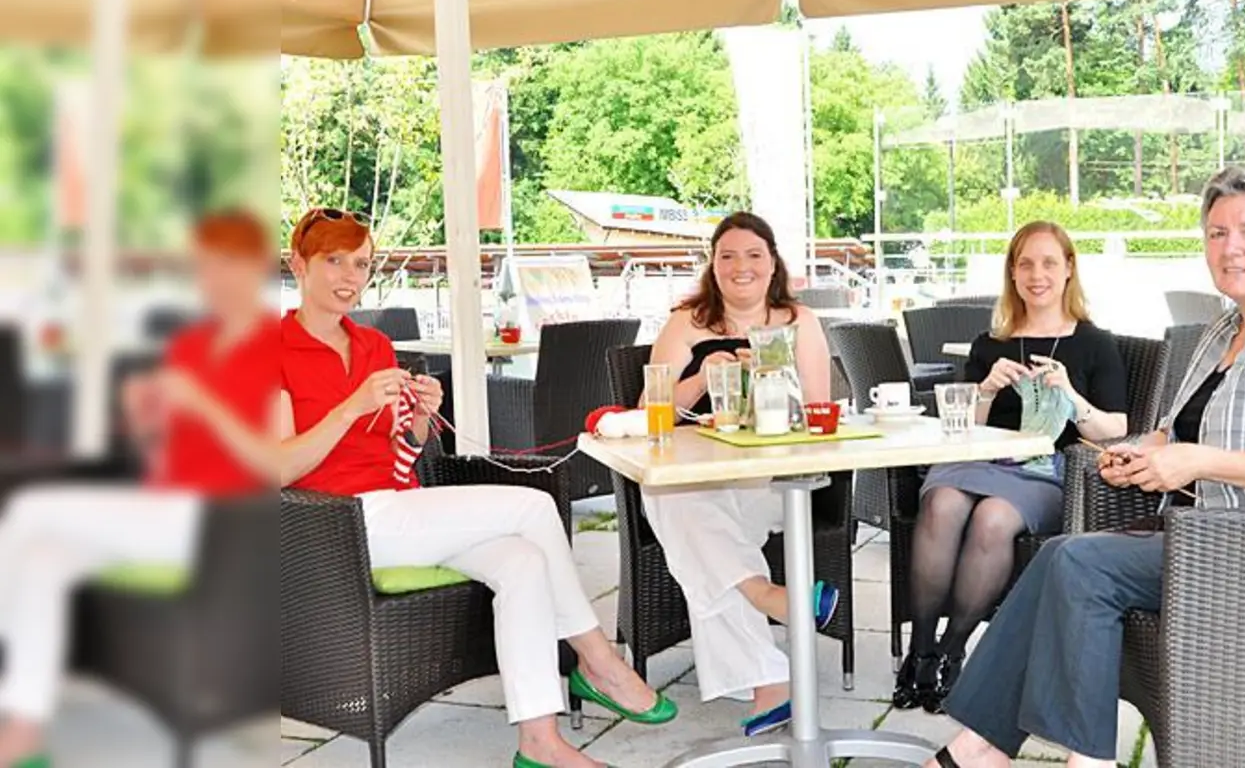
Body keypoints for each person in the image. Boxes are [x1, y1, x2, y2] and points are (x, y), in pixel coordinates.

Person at [173, 208, 673, 768]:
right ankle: (600, 662)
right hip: (335, 527)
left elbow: (392, 449)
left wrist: (417, 419)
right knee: (533, 506)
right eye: (334, 260)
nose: (349, 276)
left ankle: (540, 743)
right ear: (298, 264)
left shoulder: (372, 346)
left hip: (400, 512)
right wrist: (348, 408)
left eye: (361, 264)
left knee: (523, 562)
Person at [926, 165, 1245, 768]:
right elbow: (1173, 430)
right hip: (1193, 532)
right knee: (1060, 555)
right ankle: (980, 746)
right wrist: (1143, 451)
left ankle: (1077, 760)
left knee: (1081, 566)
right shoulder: (1224, 327)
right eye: (1216, 233)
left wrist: (1198, 461)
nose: (1230, 248)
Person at [0, 210, 281, 768]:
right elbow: (164, 458)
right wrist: (145, 420)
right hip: (164, 514)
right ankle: (25, 730)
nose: (212, 278)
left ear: (255, 265)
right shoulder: (191, 344)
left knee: (31, 508)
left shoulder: (278, 346)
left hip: (229, 526)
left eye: (225, 263)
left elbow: (274, 463)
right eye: (204, 266)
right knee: (42, 559)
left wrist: (206, 405)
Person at [895, 221, 1128, 714]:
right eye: (1026, 264)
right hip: (976, 458)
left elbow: (1116, 427)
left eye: (1049, 263)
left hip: (1044, 470)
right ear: (1013, 274)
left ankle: (953, 651)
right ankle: (921, 649)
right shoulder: (989, 343)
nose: (1037, 275)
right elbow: (964, 429)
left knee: (994, 518)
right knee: (941, 504)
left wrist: (1071, 396)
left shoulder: (1095, 342)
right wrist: (985, 390)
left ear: (1069, 270)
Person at [641, 211, 837, 736]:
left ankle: (769, 658)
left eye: (753, 255)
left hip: (773, 480)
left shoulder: (799, 321)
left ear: (772, 263)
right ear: (713, 265)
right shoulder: (687, 322)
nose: (740, 266)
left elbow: (819, 409)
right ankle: (767, 604)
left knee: (690, 528)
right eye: (727, 256)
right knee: (668, 495)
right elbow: (648, 408)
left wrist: (773, 385)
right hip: (700, 473)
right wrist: (703, 379)